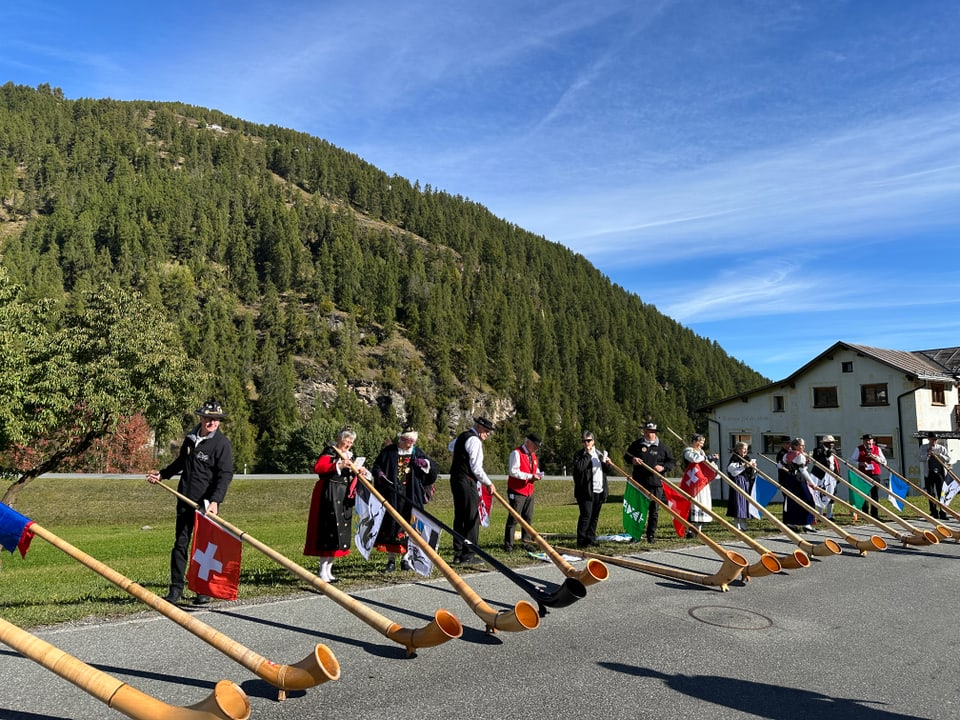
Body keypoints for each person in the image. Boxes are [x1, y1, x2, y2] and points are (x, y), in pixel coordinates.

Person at [146, 399, 234, 605]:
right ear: (201, 418)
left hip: (205, 505)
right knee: (180, 544)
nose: (210, 422)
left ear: (219, 421)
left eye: (214, 419)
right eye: (206, 418)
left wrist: (215, 501)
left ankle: (203, 589)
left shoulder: (221, 444)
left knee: (204, 548)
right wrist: (162, 475)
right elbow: (180, 463)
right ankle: (176, 588)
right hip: (185, 498)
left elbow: (225, 474)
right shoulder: (191, 438)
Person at [371, 427, 439, 571]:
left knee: (410, 526)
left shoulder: (416, 452)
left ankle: (406, 558)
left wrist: (424, 464)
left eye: (413, 441)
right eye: (408, 441)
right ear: (401, 439)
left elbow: (432, 468)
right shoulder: (389, 452)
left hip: (411, 495)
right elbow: (376, 466)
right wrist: (380, 475)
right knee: (391, 527)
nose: (410, 444)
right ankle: (390, 561)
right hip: (392, 495)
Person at [305, 428, 368, 583]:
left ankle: (329, 570)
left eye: (351, 442)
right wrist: (338, 466)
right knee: (328, 531)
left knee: (339, 531)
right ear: (340, 439)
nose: (348, 444)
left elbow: (351, 476)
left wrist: (359, 471)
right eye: (346, 441)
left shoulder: (350, 456)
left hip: (343, 496)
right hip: (329, 494)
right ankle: (322, 571)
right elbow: (318, 468)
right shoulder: (330, 451)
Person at [448, 417, 496, 565]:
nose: (487, 434)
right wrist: (488, 483)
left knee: (460, 516)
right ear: (479, 427)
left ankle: (458, 553)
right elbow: (476, 468)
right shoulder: (474, 441)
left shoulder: (463, 436)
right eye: (486, 431)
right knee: (471, 517)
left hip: (456, 479)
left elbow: (451, 447)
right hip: (467, 480)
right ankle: (469, 554)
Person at [624, 421, 676, 543]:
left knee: (654, 512)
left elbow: (672, 462)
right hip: (639, 483)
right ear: (644, 431)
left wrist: (663, 468)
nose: (649, 434)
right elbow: (626, 456)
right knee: (638, 510)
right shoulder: (637, 444)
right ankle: (635, 535)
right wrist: (632, 459)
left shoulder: (663, 447)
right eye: (647, 431)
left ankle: (650, 536)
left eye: (652, 432)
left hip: (656, 484)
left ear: (656, 433)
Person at [503, 433, 544, 551]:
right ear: (528, 442)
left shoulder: (533, 455)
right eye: (535, 445)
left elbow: (535, 468)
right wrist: (530, 476)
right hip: (517, 491)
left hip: (529, 491)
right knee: (514, 518)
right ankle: (508, 545)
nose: (536, 448)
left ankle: (526, 542)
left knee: (528, 518)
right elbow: (513, 472)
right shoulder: (516, 453)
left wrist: (538, 474)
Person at [572, 431, 613, 548]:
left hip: (599, 490)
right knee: (586, 516)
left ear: (593, 441)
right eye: (584, 441)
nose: (586, 443)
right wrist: (588, 455)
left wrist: (607, 463)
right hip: (585, 492)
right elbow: (579, 468)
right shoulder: (579, 455)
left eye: (588, 441)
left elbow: (607, 470)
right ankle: (581, 541)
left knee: (594, 517)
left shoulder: (599, 454)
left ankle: (590, 538)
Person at [682, 434, 718, 537]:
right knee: (692, 504)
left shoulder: (701, 453)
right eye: (699, 442)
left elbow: (707, 464)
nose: (701, 445)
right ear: (693, 441)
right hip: (692, 482)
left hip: (702, 483)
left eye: (702, 443)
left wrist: (712, 460)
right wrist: (707, 457)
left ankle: (699, 529)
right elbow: (695, 459)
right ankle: (689, 530)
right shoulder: (688, 451)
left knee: (702, 503)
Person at [779, 438, 815, 532]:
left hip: (790, 479)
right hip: (799, 480)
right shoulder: (800, 456)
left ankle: (791, 523)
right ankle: (806, 523)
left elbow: (779, 465)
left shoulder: (787, 454)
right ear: (795, 446)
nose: (803, 447)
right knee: (808, 499)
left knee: (792, 501)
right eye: (801, 445)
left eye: (803, 445)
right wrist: (812, 483)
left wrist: (789, 469)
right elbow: (803, 471)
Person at [850, 434, 886, 520]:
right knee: (864, 494)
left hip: (875, 474)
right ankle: (865, 514)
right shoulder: (859, 449)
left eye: (870, 440)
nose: (868, 442)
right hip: (864, 474)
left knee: (875, 495)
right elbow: (851, 460)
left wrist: (876, 457)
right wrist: (860, 463)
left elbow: (884, 462)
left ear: (873, 441)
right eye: (866, 440)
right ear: (864, 441)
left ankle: (875, 514)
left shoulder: (877, 449)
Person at [919, 432, 951, 520]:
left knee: (942, 493)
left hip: (940, 473)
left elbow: (948, 459)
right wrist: (928, 454)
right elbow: (921, 458)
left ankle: (943, 512)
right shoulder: (924, 447)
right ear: (929, 439)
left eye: (935, 439)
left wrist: (939, 455)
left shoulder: (941, 448)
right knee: (931, 493)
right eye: (932, 439)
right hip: (929, 473)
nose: (934, 441)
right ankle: (933, 512)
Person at [726, 442, 757, 530]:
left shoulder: (747, 458)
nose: (745, 451)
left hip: (746, 482)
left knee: (745, 503)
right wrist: (743, 466)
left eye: (746, 449)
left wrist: (753, 468)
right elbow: (732, 471)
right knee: (738, 503)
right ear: (738, 449)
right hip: (738, 482)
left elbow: (750, 473)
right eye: (743, 449)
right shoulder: (735, 458)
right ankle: (737, 524)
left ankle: (743, 524)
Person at [810, 435, 840, 519]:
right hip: (821, 476)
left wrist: (837, 474)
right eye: (830, 443)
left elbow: (835, 463)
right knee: (821, 494)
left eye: (832, 443)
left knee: (832, 494)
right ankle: (820, 514)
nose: (832, 444)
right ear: (825, 443)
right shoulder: (818, 450)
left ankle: (829, 515)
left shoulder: (833, 451)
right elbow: (818, 461)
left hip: (832, 475)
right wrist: (826, 455)